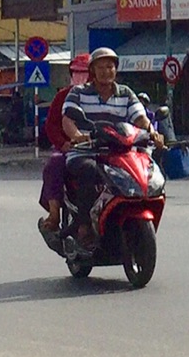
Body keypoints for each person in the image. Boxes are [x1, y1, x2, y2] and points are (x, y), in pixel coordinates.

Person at [62, 48, 151, 231]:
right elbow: (68, 119)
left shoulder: (126, 93)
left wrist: (152, 132)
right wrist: (77, 136)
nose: (106, 71)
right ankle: (84, 224)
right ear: (92, 71)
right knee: (89, 170)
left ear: (116, 69)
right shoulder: (78, 92)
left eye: (110, 66)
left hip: (120, 152)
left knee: (145, 170)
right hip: (87, 151)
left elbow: (140, 118)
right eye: (100, 67)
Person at [39, 51, 90, 233]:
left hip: (102, 148)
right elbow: (52, 126)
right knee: (54, 163)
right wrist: (63, 143)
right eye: (76, 72)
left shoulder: (108, 95)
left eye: (85, 72)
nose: (81, 77)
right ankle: (54, 214)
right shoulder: (63, 97)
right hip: (70, 148)